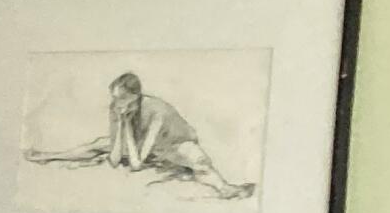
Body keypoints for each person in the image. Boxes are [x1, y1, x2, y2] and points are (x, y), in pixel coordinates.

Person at [28, 72, 255, 200]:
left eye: (122, 98)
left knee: (199, 161)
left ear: (135, 96)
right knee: (98, 144)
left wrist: (126, 128)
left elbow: (137, 163)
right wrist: (124, 124)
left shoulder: (157, 111)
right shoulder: (117, 108)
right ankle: (47, 155)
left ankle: (226, 189)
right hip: (140, 143)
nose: (117, 103)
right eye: (114, 98)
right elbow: (115, 159)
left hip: (171, 143)